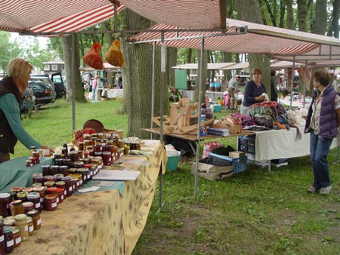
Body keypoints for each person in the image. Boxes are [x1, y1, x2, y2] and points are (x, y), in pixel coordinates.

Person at [0, 58, 52, 163]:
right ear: (20, 75)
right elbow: (17, 129)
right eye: (28, 75)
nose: (29, 78)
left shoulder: (5, 87)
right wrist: (39, 148)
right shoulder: (7, 95)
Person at [305, 70, 340, 194]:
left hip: (326, 131)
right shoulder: (316, 94)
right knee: (314, 158)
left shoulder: (334, 95)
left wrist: (333, 126)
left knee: (320, 157)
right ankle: (317, 184)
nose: (312, 82)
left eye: (314, 80)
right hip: (314, 130)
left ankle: (326, 184)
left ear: (319, 81)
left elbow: (338, 114)